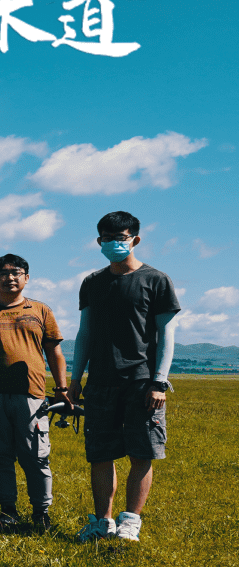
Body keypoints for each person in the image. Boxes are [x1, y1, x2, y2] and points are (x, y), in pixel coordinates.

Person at [69, 210, 180, 543]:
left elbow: (167, 333)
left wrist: (159, 381)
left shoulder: (156, 280)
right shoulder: (92, 282)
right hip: (100, 382)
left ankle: (131, 520)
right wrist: (76, 381)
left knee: (141, 452)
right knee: (100, 454)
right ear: (98, 241)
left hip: (142, 381)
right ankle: (102, 521)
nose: (114, 243)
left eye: (121, 238)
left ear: (135, 239)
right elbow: (84, 333)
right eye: (108, 238)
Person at [0, 253, 68, 532]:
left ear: (26, 277)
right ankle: (7, 510)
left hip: (32, 394)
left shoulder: (40, 310)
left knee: (36, 455)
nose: (9, 277)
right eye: (3, 273)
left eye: (16, 272)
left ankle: (41, 512)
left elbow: (55, 352)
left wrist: (61, 388)